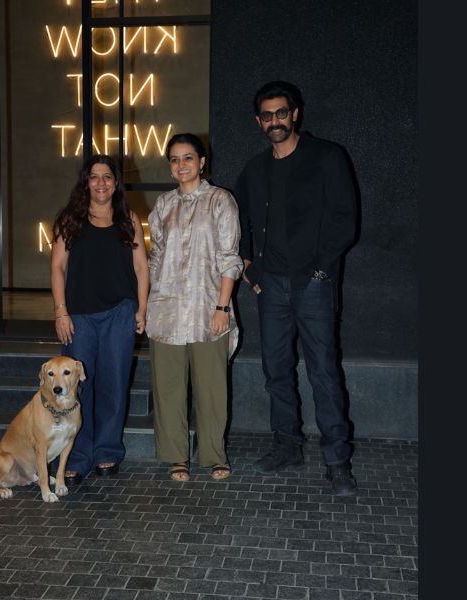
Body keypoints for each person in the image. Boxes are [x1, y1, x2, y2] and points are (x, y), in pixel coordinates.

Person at [235, 80, 359, 495]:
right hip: (270, 286)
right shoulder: (255, 169)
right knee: (276, 370)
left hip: (313, 285)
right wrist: (249, 268)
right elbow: (238, 219)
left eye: (281, 113)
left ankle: (337, 461)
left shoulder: (326, 157)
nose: (275, 121)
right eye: (267, 115)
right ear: (258, 121)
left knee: (323, 371)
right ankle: (287, 445)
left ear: (295, 114)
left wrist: (321, 271)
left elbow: (345, 220)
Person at [146, 133, 243, 482]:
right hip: (166, 311)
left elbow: (230, 258)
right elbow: (155, 259)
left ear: (202, 162)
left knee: (211, 388)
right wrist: (146, 306)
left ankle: (215, 454)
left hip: (207, 309)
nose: (181, 165)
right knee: (169, 388)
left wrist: (222, 308)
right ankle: (176, 456)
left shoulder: (221, 200)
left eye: (188, 157)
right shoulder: (163, 205)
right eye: (174, 159)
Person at [50, 154, 149, 485]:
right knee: (77, 387)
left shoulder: (128, 219)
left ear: (116, 183)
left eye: (107, 176)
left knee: (114, 383)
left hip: (119, 313)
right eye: (94, 177)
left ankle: (107, 449)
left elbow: (141, 267)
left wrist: (142, 308)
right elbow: (57, 268)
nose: (101, 183)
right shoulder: (71, 219)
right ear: (86, 182)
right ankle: (78, 455)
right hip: (79, 317)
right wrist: (61, 311)